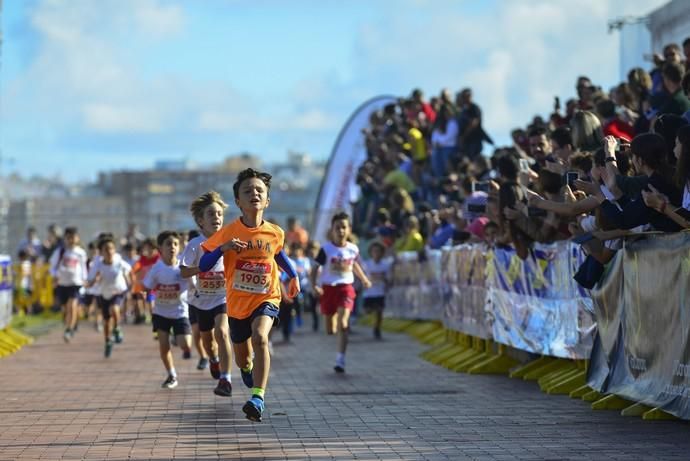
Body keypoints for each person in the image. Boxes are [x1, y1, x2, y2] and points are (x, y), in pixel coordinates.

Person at [199, 168, 300, 422]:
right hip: (237, 305)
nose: (254, 194)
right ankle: (247, 368)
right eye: (247, 191)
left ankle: (257, 397)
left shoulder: (275, 232)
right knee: (243, 356)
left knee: (261, 337)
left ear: (267, 200)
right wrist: (224, 248)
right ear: (238, 202)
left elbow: (279, 254)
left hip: (267, 296)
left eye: (259, 191)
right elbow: (203, 264)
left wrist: (294, 275)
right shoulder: (229, 231)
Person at [180, 191, 234, 397]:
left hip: (222, 297)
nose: (216, 218)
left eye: (219, 214)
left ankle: (225, 380)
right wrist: (201, 269)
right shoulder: (195, 245)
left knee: (222, 332)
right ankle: (213, 359)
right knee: (208, 342)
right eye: (211, 214)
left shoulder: (230, 240)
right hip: (200, 300)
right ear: (200, 221)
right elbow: (184, 271)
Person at [311, 212, 372, 374]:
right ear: (332, 230)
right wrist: (314, 286)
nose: (341, 231)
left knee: (343, 324)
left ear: (349, 230)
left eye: (344, 227)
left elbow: (355, 265)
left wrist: (364, 279)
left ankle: (340, 359)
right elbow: (315, 268)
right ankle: (336, 318)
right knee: (330, 330)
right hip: (328, 289)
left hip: (346, 288)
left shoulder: (353, 249)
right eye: (337, 227)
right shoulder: (326, 249)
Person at [143, 231, 193, 389]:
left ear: (179, 248)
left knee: (184, 344)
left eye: (175, 244)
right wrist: (146, 288)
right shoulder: (156, 269)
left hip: (180, 312)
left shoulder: (183, 267)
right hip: (161, 312)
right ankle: (171, 375)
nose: (172, 247)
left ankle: (178, 339)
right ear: (160, 249)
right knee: (164, 346)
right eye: (168, 244)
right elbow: (147, 286)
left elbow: (193, 284)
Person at [86, 236, 132, 358]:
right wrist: (92, 282)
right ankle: (107, 341)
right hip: (104, 293)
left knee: (114, 309)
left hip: (118, 291)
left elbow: (128, 271)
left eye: (111, 248)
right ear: (101, 252)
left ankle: (117, 329)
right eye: (106, 249)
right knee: (106, 322)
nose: (109, 251)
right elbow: (90, 280)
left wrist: (129, 282)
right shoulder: (97, 265)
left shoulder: (119, 260)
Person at [49, 227, 88, 343]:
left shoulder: (80, 253)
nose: (71, 240)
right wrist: (55, 275)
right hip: (62, 284)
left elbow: (84, 268)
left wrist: (85, 280)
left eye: (73, 237)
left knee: (72, 306)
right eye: (68, 237)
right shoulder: (60, 252)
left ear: (77, 238)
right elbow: (52, 267)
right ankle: (71, 324)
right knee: (65, 309)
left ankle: (69, 329)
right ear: (65, 239)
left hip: (75, 283)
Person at [361, 241, 391, 340]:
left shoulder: (385, 265)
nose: (376, 254)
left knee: (379, 312)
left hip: (380, 292)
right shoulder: (367, 264)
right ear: (371, 253)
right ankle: (371, 320)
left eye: (378, 251)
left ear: (382, 253)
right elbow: (363, 277)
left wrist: (386, 284)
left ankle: (377, 330)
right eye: (374, 251)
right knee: (367, 311)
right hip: (369, 293)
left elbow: (388, 278)